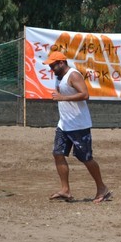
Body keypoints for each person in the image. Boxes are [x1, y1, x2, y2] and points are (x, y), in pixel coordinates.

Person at [45, 51, 112, 204]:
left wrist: (63, 98)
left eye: (53, 66)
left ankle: (102, 188)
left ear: (61, 63)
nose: (51, 69)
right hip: (64, 124)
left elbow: (85, 94)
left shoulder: (73, 75)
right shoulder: (59, 77)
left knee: (85, 158)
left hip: (79, 125)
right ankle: (65, 190)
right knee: (57, 153)